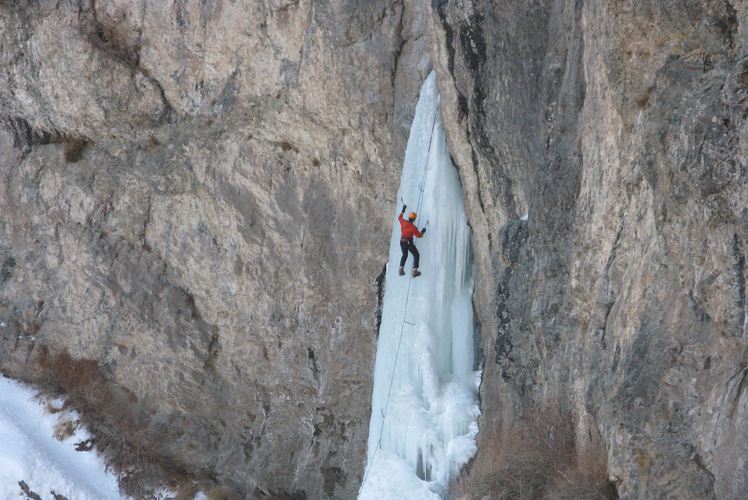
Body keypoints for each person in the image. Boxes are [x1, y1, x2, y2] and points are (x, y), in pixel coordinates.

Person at [397, 204, 427, 277]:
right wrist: (423, 231)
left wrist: (403, 210)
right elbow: (419, 235)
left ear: (409, 217)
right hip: (408, 242)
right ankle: (414, 271)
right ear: (414, 219)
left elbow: (399, 217)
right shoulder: (413, 227)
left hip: (402, 241)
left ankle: (400, 270)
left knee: (404, 255)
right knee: (416, 255)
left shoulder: (403, 222)